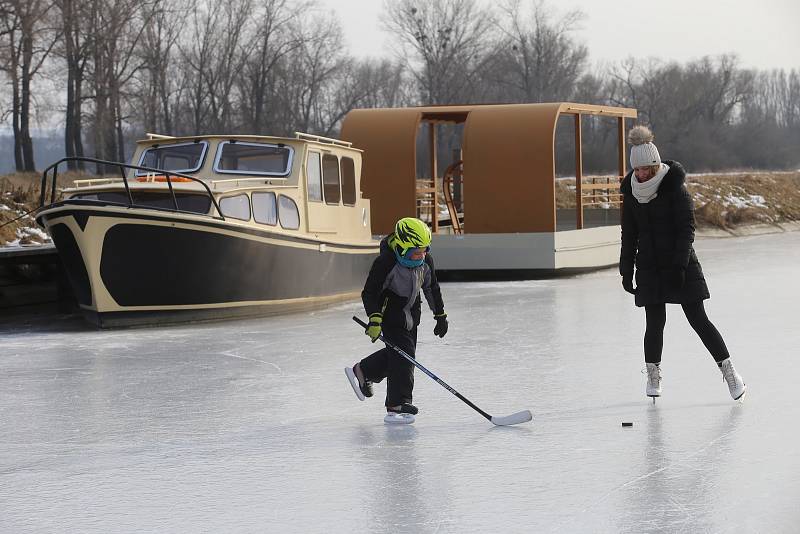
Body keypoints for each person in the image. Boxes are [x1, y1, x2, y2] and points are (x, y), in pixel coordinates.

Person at [619, 125, 746, 401]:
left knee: (698, 319)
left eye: (645, 169)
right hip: (650, 266)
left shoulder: (675, 188)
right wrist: (626, 268)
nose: (640, 174)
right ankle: (653, 376)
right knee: (654, 323)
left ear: (654, 165)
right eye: (636, 169)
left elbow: (687, 228)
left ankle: (731, 374)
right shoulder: (631, 193)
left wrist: (679, 266)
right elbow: (628, 234)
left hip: (681, 264)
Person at [345, 217, 448, 423]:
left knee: (400, 354)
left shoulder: (426, 261)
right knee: (404, 356)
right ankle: (396, 405)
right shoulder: (386, 262)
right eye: (415, 252)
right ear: (401, 247)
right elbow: (370, 293)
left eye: (424, 250)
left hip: (412, 314)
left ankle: (364, 370)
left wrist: (440, 315)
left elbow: (431, 288)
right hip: (390, 313)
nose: (421, 255)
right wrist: (374, 320)